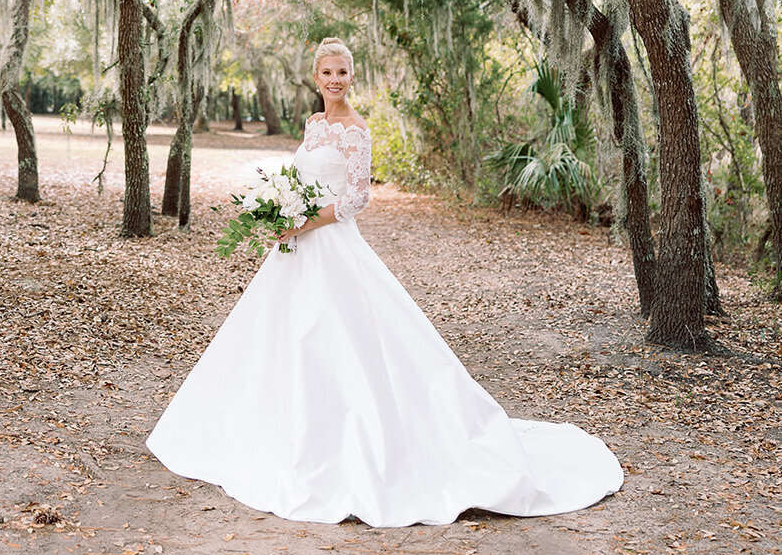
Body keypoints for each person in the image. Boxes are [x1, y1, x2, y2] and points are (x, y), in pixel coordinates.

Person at [146, 36, 623, 527]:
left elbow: (356, 200)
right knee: (278, 339)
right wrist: (283, 209)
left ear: (352, 78)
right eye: (327, 72)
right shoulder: (312, 125)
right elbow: (300, 178)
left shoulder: (356, 129)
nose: (335, 80)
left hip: (329, 243)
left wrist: (303, 222)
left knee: (341, 342)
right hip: (294, 248)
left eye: (343, 73)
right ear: (317, 77)